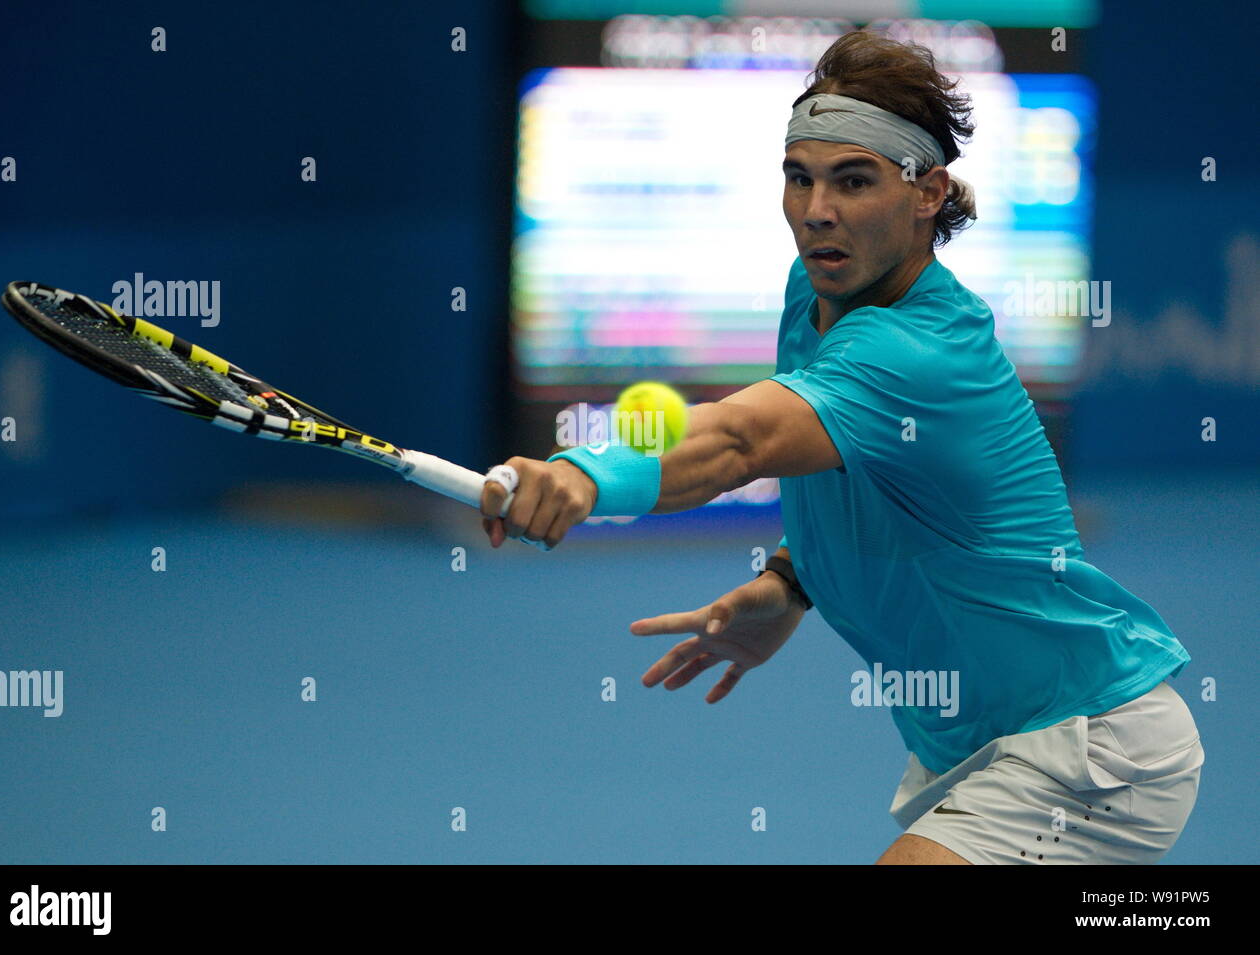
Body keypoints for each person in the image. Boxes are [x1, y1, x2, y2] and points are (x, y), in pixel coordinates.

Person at [478, 31, 1203, 865]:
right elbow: (871, 478)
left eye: (853, 181)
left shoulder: (918, 351)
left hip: (1091, 743)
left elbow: (742, 437)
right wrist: (790, 582)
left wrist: (582, 473)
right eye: (799, 178)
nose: (816, 210)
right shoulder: (817, 290)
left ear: (928, 192)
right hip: (977, 739)